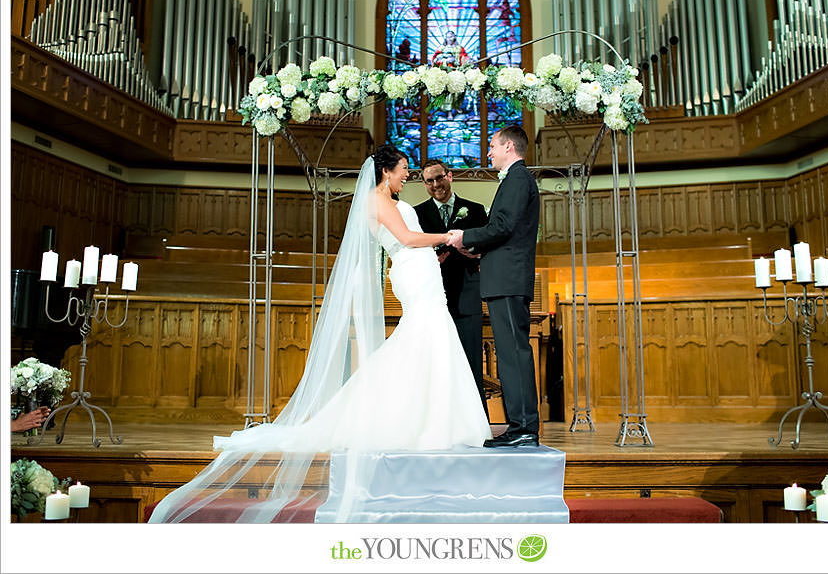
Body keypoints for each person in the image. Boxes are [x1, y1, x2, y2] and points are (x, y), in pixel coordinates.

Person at [148, 145, 490, 523]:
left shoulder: (387, 200)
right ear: (385, 172)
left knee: (428, 340)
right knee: (424, 337)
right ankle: (419, 418)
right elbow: (407, 240)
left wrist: (437, 250)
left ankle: (432, 415)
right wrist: (447, 237)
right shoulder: (376, 203)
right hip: (413, 272)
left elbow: (409, 239)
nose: (407, 175)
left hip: (422, 271)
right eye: (404, 170)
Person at [447, 125, 540, 448]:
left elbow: (503, 225)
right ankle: (520, 426)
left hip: (509, 278)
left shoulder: (517, 179)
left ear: (509, 147)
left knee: (514, 353)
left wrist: (466, 236)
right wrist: (477, 247)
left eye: (492, 146)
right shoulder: (516, 179)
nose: (488, 152)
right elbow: (506, 231)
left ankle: (524, 427)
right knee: (510, 353)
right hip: (505, 275)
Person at [415, 159, 490, 414]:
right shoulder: (416, 214)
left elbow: (485, 248)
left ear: (450, 176)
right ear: (424, 184)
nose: (436, 185)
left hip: (468, 292)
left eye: (440, 178)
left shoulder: (475, 210)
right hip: (432, 296)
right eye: (430, 181)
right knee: (434, 363)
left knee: (470, 361)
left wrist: (468, 251)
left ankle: (476, 422)